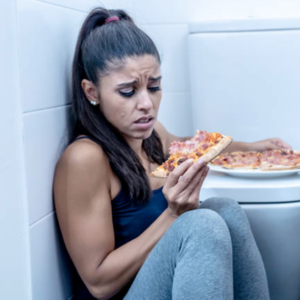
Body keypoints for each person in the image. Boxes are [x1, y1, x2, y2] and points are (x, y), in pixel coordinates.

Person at [53, 7, 292, 300]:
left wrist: (254, 148)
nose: (147, 104)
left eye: (154, 87)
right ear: (92, 92)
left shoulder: (151, 136)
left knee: (224, 208)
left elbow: (194, 146)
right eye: (128, 92)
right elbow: (99, 283)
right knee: (200, 224)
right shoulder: (84, 158)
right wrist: (173, 215)